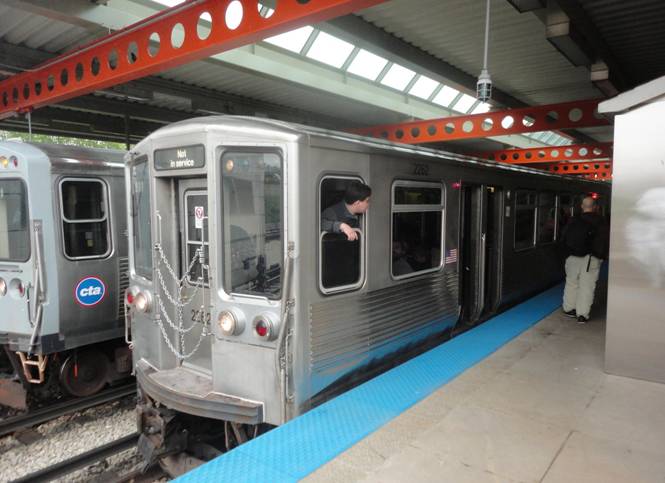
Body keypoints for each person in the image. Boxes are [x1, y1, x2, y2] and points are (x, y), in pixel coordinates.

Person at [560, 196, 609, 323]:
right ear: (595, 207)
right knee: (586, 286)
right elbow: (604, 241)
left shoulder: (574, 219)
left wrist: (567, 254)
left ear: (582, 206)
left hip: (572, 257)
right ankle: (582, 315)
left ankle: (569, 308)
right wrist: (601, 256)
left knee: (571, 283)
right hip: (590, 259)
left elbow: (563, 237)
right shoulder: (601, 221)